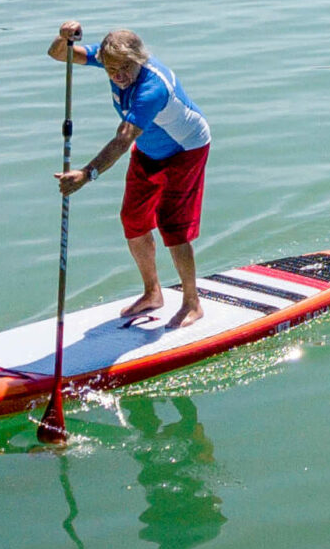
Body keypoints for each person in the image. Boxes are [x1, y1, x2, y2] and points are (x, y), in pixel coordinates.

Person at [47, 22, 212, 328]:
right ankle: (153, 293)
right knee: (133, 220)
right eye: (111, 69)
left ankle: (192, 302)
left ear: (138, 60)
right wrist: (64, 38)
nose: (118, 76)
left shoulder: (152, 88)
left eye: (124, 69)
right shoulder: (109, 58)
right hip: (150, 148)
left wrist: (86, 174)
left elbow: (123, 139)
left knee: (172, 226)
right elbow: (59, 55)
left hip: (186, 149)